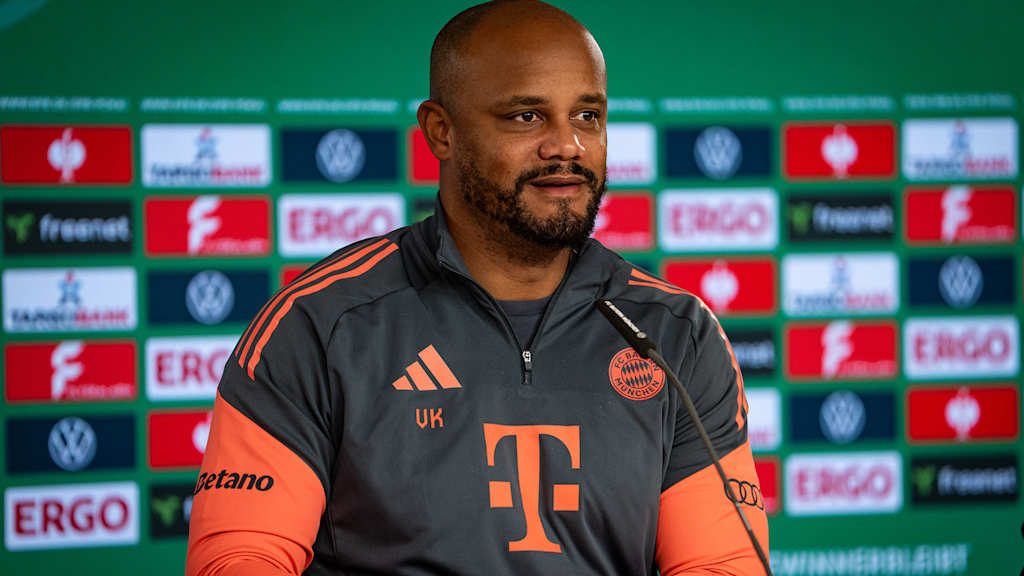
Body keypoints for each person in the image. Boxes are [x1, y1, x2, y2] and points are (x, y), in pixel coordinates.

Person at [185, 1, 769, 574]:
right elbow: (240, 558)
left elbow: (720, 564)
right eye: (527, 116)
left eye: (587, 116)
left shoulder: (674, 334)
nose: (566, 144)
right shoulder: (319, 323)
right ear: (441, 132)